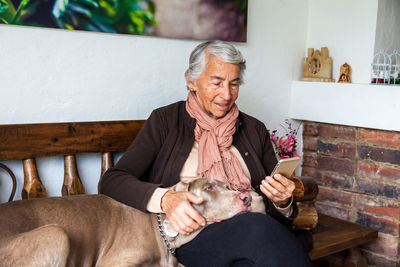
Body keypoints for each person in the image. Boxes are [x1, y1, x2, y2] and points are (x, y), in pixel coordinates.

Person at [101, 40, 313, 267]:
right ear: (191, 81)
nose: (227, 94)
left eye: (234, 84)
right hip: (194, 236)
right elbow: (113, 180)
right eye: (217, 83)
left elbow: (275, 200)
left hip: (260, 237)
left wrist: (282, 201)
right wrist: (166, 199)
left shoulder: (254, 129)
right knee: (257, 227)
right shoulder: (165, 121)